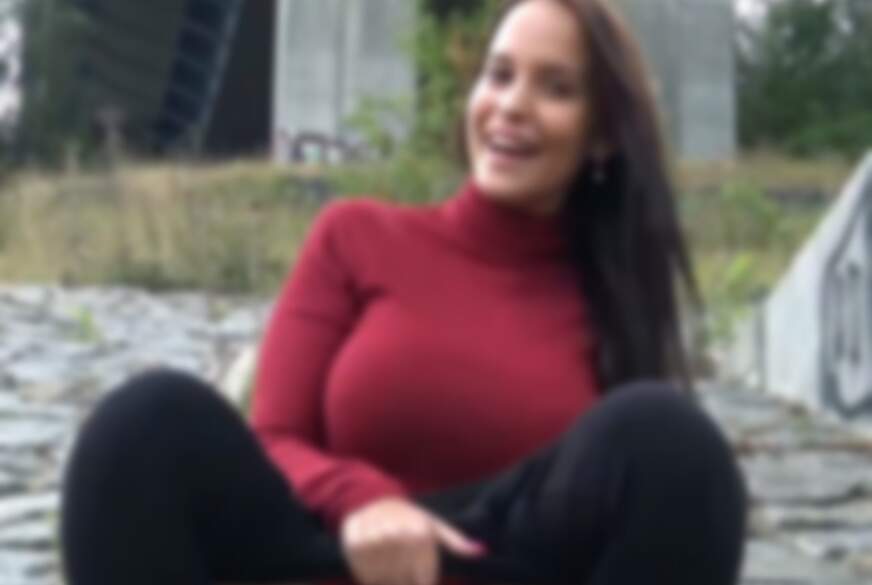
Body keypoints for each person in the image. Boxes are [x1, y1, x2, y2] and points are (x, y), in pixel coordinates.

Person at [60, 1, 748, 585]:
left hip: (495, 560)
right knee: (143, 423)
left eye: (556, 88)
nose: (512, 105)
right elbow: (277, 437)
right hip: (333, 558)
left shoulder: (615, 301)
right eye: (499, 75)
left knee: (673, 444)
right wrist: (366, 502)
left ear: (601, 137)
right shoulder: (354, 237)